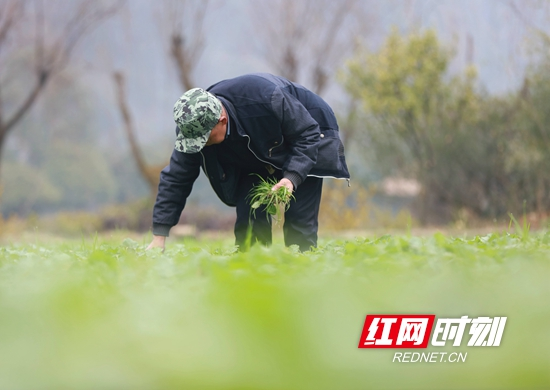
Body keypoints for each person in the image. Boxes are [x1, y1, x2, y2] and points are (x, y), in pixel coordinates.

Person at [147, 73, 350, 252]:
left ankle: (303, 267)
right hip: (257, 143)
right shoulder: (193, 128)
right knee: (250, 211)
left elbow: (307, 134)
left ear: (221, 120)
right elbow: (176, 177)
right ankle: (253, 266)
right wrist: (159, 236)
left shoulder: (266, 99)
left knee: (299, 220)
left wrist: (291, 178)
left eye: (205, 139)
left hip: (309, 129)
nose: (201, 145)